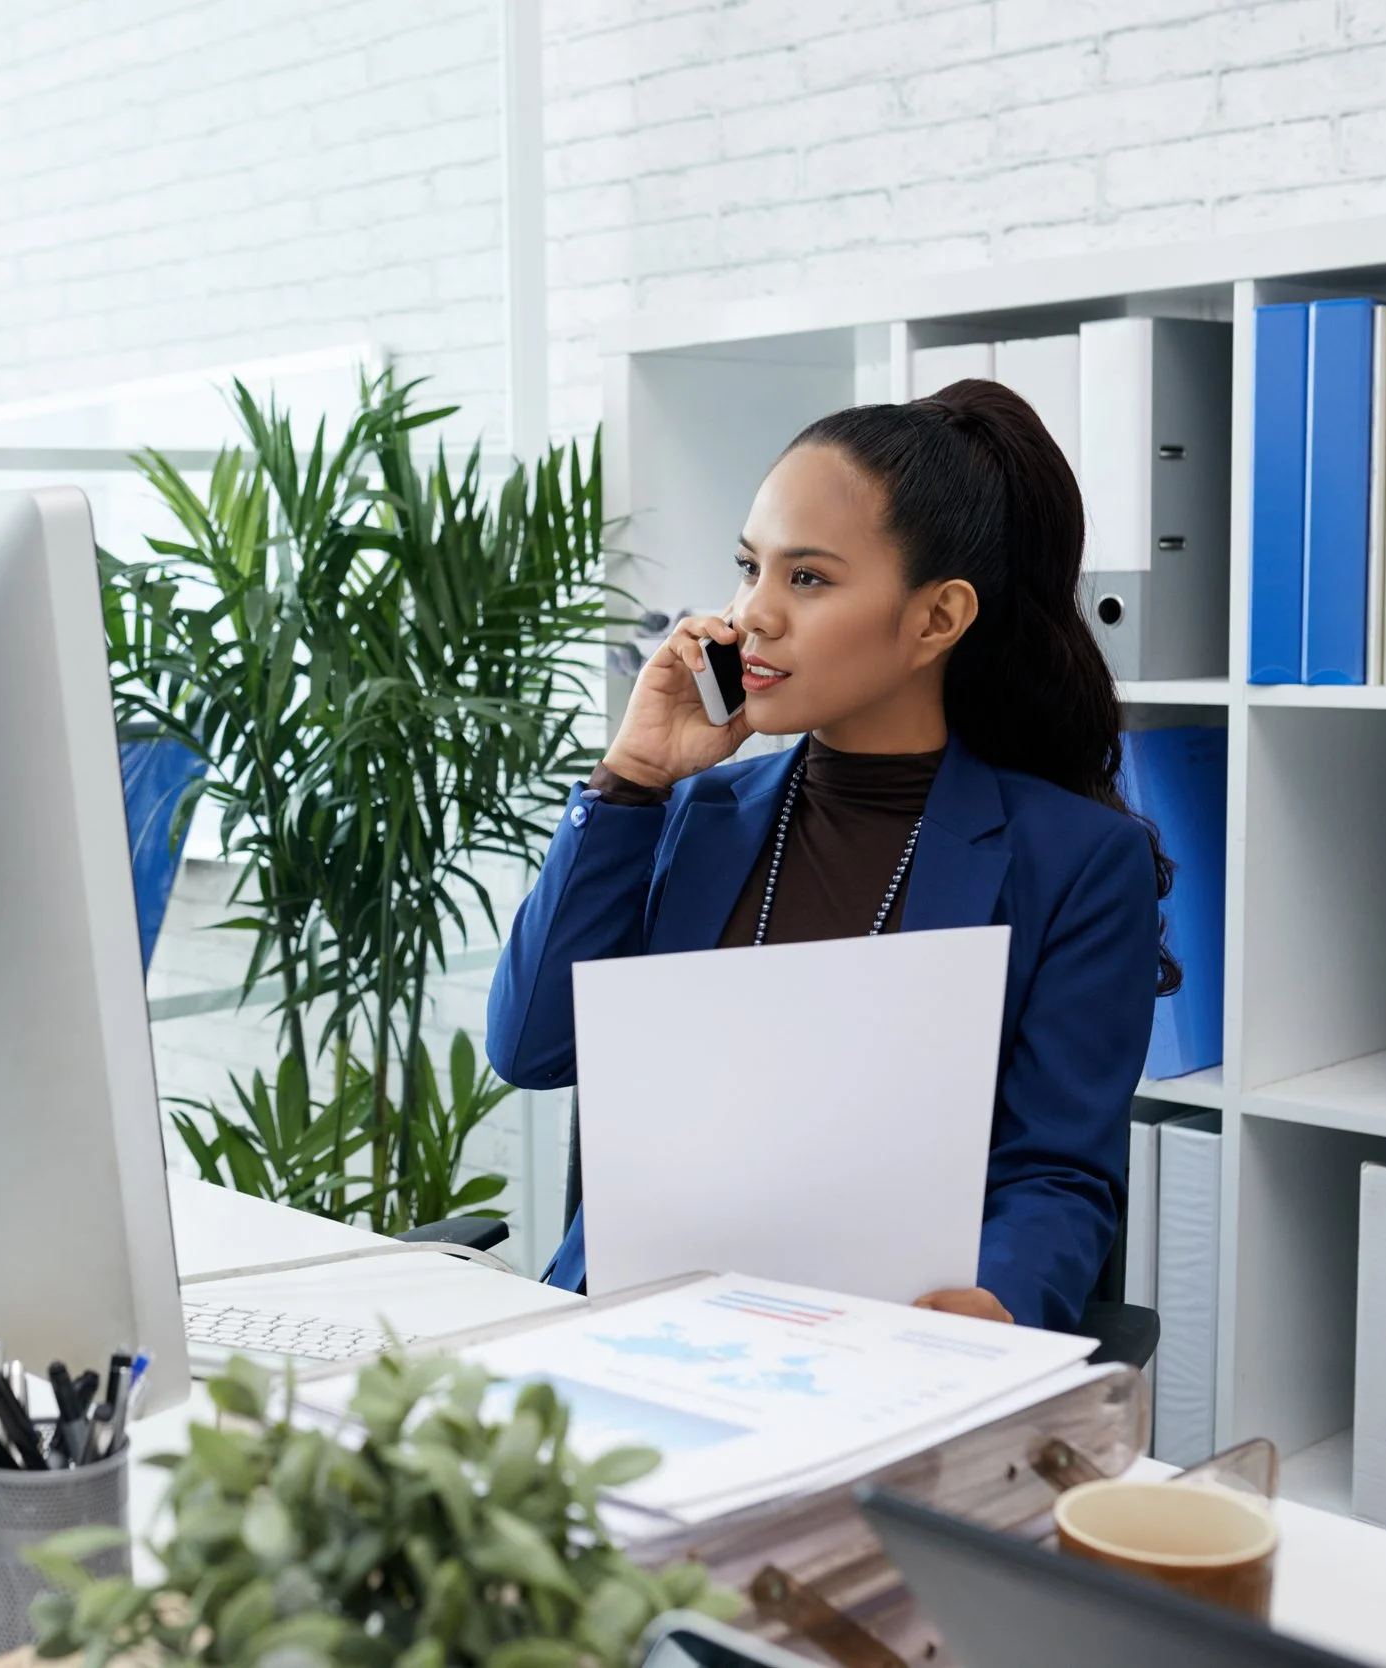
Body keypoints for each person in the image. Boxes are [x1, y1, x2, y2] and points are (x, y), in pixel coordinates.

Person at [486, 379, 1174, 1333]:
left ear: (936, 619)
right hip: (632, 1320)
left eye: (806, 579)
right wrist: (630, 779)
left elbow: (1056, 1172)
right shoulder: (694, 810)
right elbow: (530, 1047)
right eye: (747, 567)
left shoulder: (1080, 862)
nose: (752, 616)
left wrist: (994, 1308)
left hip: (881, 1338)